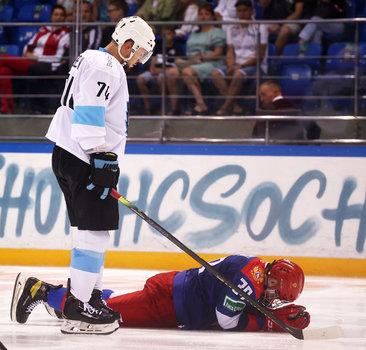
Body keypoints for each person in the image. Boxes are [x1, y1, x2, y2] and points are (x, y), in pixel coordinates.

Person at [43, 16, 155, 335]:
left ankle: (88, 295)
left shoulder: (95, 60)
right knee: (94, 231)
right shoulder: (106, 64)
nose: (139, 61)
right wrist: (101, 159)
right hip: (86, 156)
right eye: (140, 54)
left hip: (74, 154)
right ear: (128, 44)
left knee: (92, 230)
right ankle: (78, 306)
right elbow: (89, 111)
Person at [11, 255, 310, 332]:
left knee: (108, 307)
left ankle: (67, 296)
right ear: (272, 282)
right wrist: (268, 322)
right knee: (105, 317)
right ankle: (42, 290)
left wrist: (263, 314)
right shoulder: (249, 282)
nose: (273, 300)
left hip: (174, 293)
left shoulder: (254, 268)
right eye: (276, 294)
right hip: (169, 304)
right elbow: (226, 321)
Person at [0, 4, 69, 114]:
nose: (58, 17)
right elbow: (27, 48)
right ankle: (7, 108)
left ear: (65, 17)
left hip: (43, 65)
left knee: (2, 59)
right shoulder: (43, 29)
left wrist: (37, 58)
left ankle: (7, 107)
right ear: (51, 16)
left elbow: (58, 58)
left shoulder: (66, 34)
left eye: (61, 15)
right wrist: (28, 55)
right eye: (56, 14)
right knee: (3, 71)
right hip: (29, 61)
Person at [166, 2, 226, 115]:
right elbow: (189, 54)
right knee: (171, 72)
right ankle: (175, 108)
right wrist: (189, 60)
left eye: (206, 14)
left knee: (187, 72)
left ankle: (201, 104)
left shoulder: (218, 32)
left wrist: (202, 57)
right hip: (193, 62)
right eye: (201, 14)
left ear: (212, 16)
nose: (203, 16)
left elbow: (218, 53)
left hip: (210, 62)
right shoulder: (194, 33)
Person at [211, 0, 268, 116]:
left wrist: (240, 66)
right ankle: (235, 106)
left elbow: (260, 56)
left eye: (245, 11)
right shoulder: (231, 27)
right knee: (216, 73)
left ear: (251, 11)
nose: (242, 14)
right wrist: (231, 64)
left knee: (238, 74)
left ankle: (225, 108)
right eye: (239, 11)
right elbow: (230, 51)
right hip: (236, 64)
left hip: (254, 66)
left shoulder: (260, 27)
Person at [136, 26, 186, 115]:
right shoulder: (159, 46)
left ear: (174, 34)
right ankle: (148, 107)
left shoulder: (178, 48)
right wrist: (154, 69)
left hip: (167, 73)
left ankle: (172, 108)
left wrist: (161, 71)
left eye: (169, 34)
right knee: (140, 79)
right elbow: (153, 65)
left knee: (162, 77)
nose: (166, 36)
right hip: (157, 71)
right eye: (164, 35)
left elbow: (176, 67)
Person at [252, 80, 320, 140]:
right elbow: (314, 129)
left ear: (276, 93)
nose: (261, 99)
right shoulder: (295, 108)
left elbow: (255, 136)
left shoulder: (264, 112)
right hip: (294, 150)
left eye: (264, 95)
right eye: (260, 96)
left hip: (267, 150)